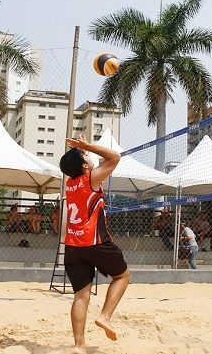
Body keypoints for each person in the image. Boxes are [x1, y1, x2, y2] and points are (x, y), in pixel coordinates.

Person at [59, 133, 130, 353]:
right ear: (84, 166)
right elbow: (115, 157)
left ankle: (79, 345)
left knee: (81, 295)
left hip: (73, 246)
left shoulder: (70, 184)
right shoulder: (89, 179)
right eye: (85, 157)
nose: (89, 158)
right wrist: (87, 145)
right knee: (123, 276)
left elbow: (89, 164)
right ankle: (105, 316)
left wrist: (83, 150)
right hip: (96, 242)